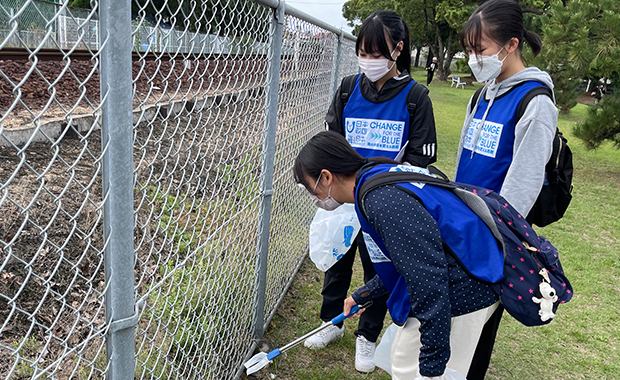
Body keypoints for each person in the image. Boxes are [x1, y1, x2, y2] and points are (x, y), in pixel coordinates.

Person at [294, 131, 501, 380]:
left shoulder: (382, 201)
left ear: (326, 177)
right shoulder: (377, 176)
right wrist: (364, 294)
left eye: (312, 189)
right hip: (462, 275)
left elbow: (427, 277)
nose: (316, 199)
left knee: (412, 368)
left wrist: (432, 366)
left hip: (462, 291)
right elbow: (411, 259)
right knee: (401, 358)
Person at [308, 10, 438, 374]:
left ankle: (367, 337)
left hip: (384, 201)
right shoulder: (349, 88)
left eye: (375, 52)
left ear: (397, 50)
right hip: (345, 195)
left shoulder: (415, 97)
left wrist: (384, 186)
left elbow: (419, 161)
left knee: (378, 270)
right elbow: (332, 140)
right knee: (337, 262)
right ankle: (331, 323)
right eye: (363, 52)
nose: (368, 60)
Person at [455, 0, 559, 378]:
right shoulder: (481, 95)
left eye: (479, 49)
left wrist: (491, 235)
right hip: (461, 223)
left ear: (510, 45)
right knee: (453, 319)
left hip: (493, 234)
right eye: (468, 49)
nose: (472, 58)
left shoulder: (534, 101)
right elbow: (464, 163)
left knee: (479, 326)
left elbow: (524, 182)